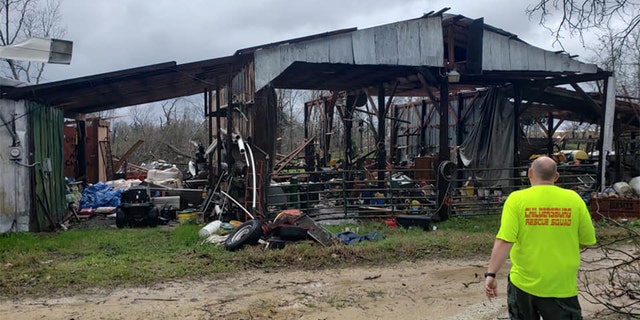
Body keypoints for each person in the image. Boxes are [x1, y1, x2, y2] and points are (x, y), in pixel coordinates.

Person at [484, 156, 596, 319]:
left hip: (523, 284)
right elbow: (586, 240)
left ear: (530, 173)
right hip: (561, 284)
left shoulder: (516, 199)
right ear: (556, 177)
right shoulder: (574, 199)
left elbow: (505, 240)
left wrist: (491, 274)